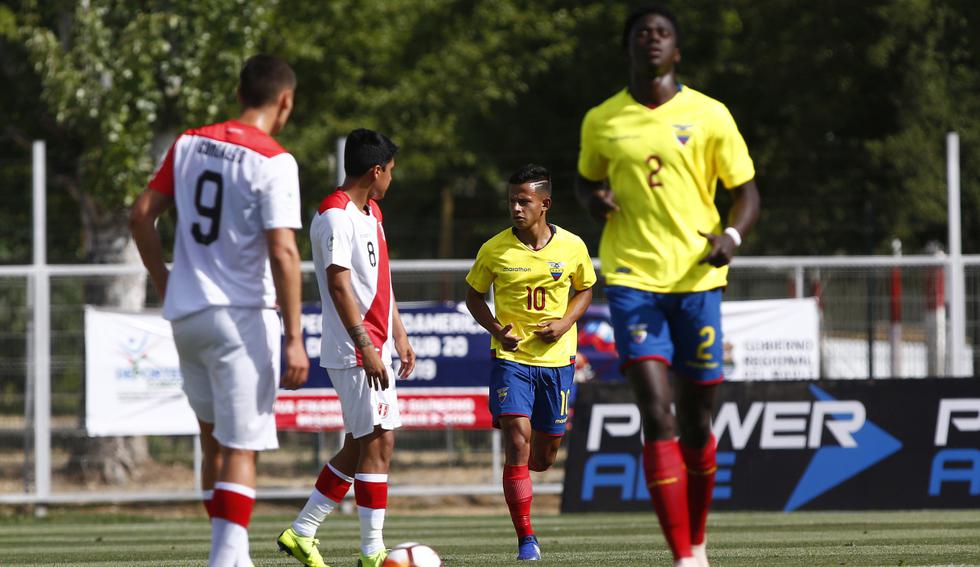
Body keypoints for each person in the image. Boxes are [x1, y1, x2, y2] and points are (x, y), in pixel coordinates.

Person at [576, 6, 760, 567]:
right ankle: (683, 558)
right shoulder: (603, 119)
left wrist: (730, 235)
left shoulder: (710, 114)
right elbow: (587, 182)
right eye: (642, 33)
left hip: (698, 279)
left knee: (698, 418)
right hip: (632, 278)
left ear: (677, 51)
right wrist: (595, 200)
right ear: (628, 47)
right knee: (657, 412)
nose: (652, 39)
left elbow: (748, 193)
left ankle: (697, 541)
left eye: (663, 33)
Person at [129, 54, 309, 566]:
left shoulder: (188, 143)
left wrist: (165, 280)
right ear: (285, 102)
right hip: (241, 314)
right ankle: (224, 560)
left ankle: (230, 555)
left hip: (187, 314)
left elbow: (141, 215)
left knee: (213, 444)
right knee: (241, 447)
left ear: (237, 94)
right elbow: (283, 251)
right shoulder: (275, 160)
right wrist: (294, 335)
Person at [277, 128, 415, 567]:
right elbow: (339, 285)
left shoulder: (371, 211)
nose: (392, 179)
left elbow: (380, 281)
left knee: (362, 445)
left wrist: (398, 333)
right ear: (375, 171)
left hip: (376, 346)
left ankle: (302, 531)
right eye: (390, 171)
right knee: (380, 442)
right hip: (357, 351)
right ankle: (373, 551)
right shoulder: (334, 215)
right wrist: (367, 346)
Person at [465, 164, 596, 561]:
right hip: (511, 359)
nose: (516, 208)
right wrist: (496, 328)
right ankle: (526, 538)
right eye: (512, 201)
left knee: (543, 457)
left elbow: (586, 289)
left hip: (557, 363)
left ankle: (526, 480)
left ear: (545, 204)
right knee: (517, 439)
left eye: (524, 201)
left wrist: (565, 322)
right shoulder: (494, 249)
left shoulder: (572, 246)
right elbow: (473, 296)